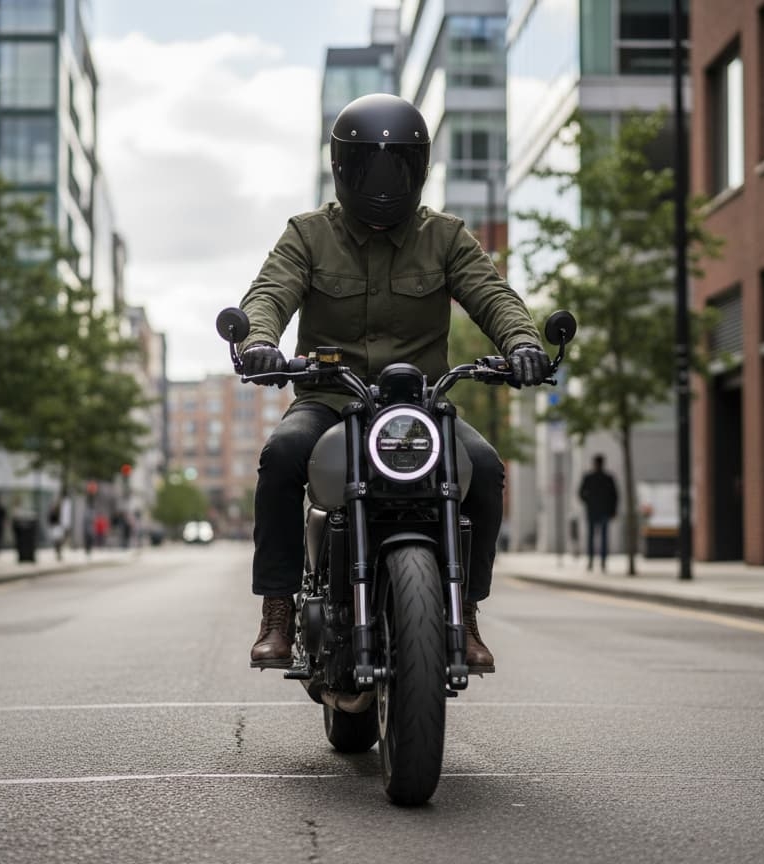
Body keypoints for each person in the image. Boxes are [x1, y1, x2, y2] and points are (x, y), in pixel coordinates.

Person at [238, 93, 551, 674]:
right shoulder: (308, 234)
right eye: (368, 167)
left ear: (419, 168)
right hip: (331, 401)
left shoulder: (447, 236)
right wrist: (259, 339)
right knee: (281, 456)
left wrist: (523, 343)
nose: (383, 181)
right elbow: (270, 291)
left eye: (398, 166)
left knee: (483, 472)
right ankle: (277, 608)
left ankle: (465, 607)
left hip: (422, 406)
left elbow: (493, 295)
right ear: (342, 168)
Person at [578, 454, 619, 572]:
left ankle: (598, 561)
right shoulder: (600, 478)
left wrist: (588, 502)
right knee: (599, 537)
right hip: (599, 511)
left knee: (597, 537)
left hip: (598, 511)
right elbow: (615, 496)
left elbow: (614, 496)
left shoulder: (601, 478)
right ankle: (597, 561)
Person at [48, 495, 71, 561]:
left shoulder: (59, 510)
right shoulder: (52, 511)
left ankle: (59, 553)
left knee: (59, 540)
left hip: (58, 527)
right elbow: (50, 519)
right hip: (55, 527)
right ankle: (58, 552)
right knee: (57, 541)